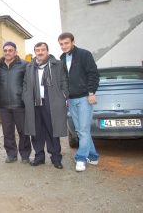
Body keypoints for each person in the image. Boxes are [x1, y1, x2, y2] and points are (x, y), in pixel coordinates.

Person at [58, 32, 100, 172]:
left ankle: (81, 158)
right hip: (71, 98)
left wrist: (91, 92)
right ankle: (93, 156)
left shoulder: (84, 54)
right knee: (81, 130)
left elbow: (93, 74)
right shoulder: (62, 58)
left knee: (82, 130)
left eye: (66, 43)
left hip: (84, 98)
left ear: (73, 42)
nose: (64, 46)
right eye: (61, 44)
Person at [23, 42, 69, 169]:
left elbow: (64, 81)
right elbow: (25, 83)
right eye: (37, 50)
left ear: (47, 51)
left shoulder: (57, 64)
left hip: (52, 101)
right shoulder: (30, 66)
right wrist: (25, 96)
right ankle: (39, 156)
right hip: (34, 102)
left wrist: (64, 96)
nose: (40, 52)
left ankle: (56, 158)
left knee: (52, 130)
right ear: (35, 52)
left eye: (43, 50)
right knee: (36, 131)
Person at [0, 41, 31, 164]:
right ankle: (11, 154)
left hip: (20, 104)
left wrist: (24, 96)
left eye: (10, 50)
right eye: (5, 50)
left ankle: (25, 154)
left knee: (23, 131)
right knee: (7, 132)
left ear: (15, 52)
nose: (8, 52)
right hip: (4, 105)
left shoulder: (24, 65)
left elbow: (28, 84)